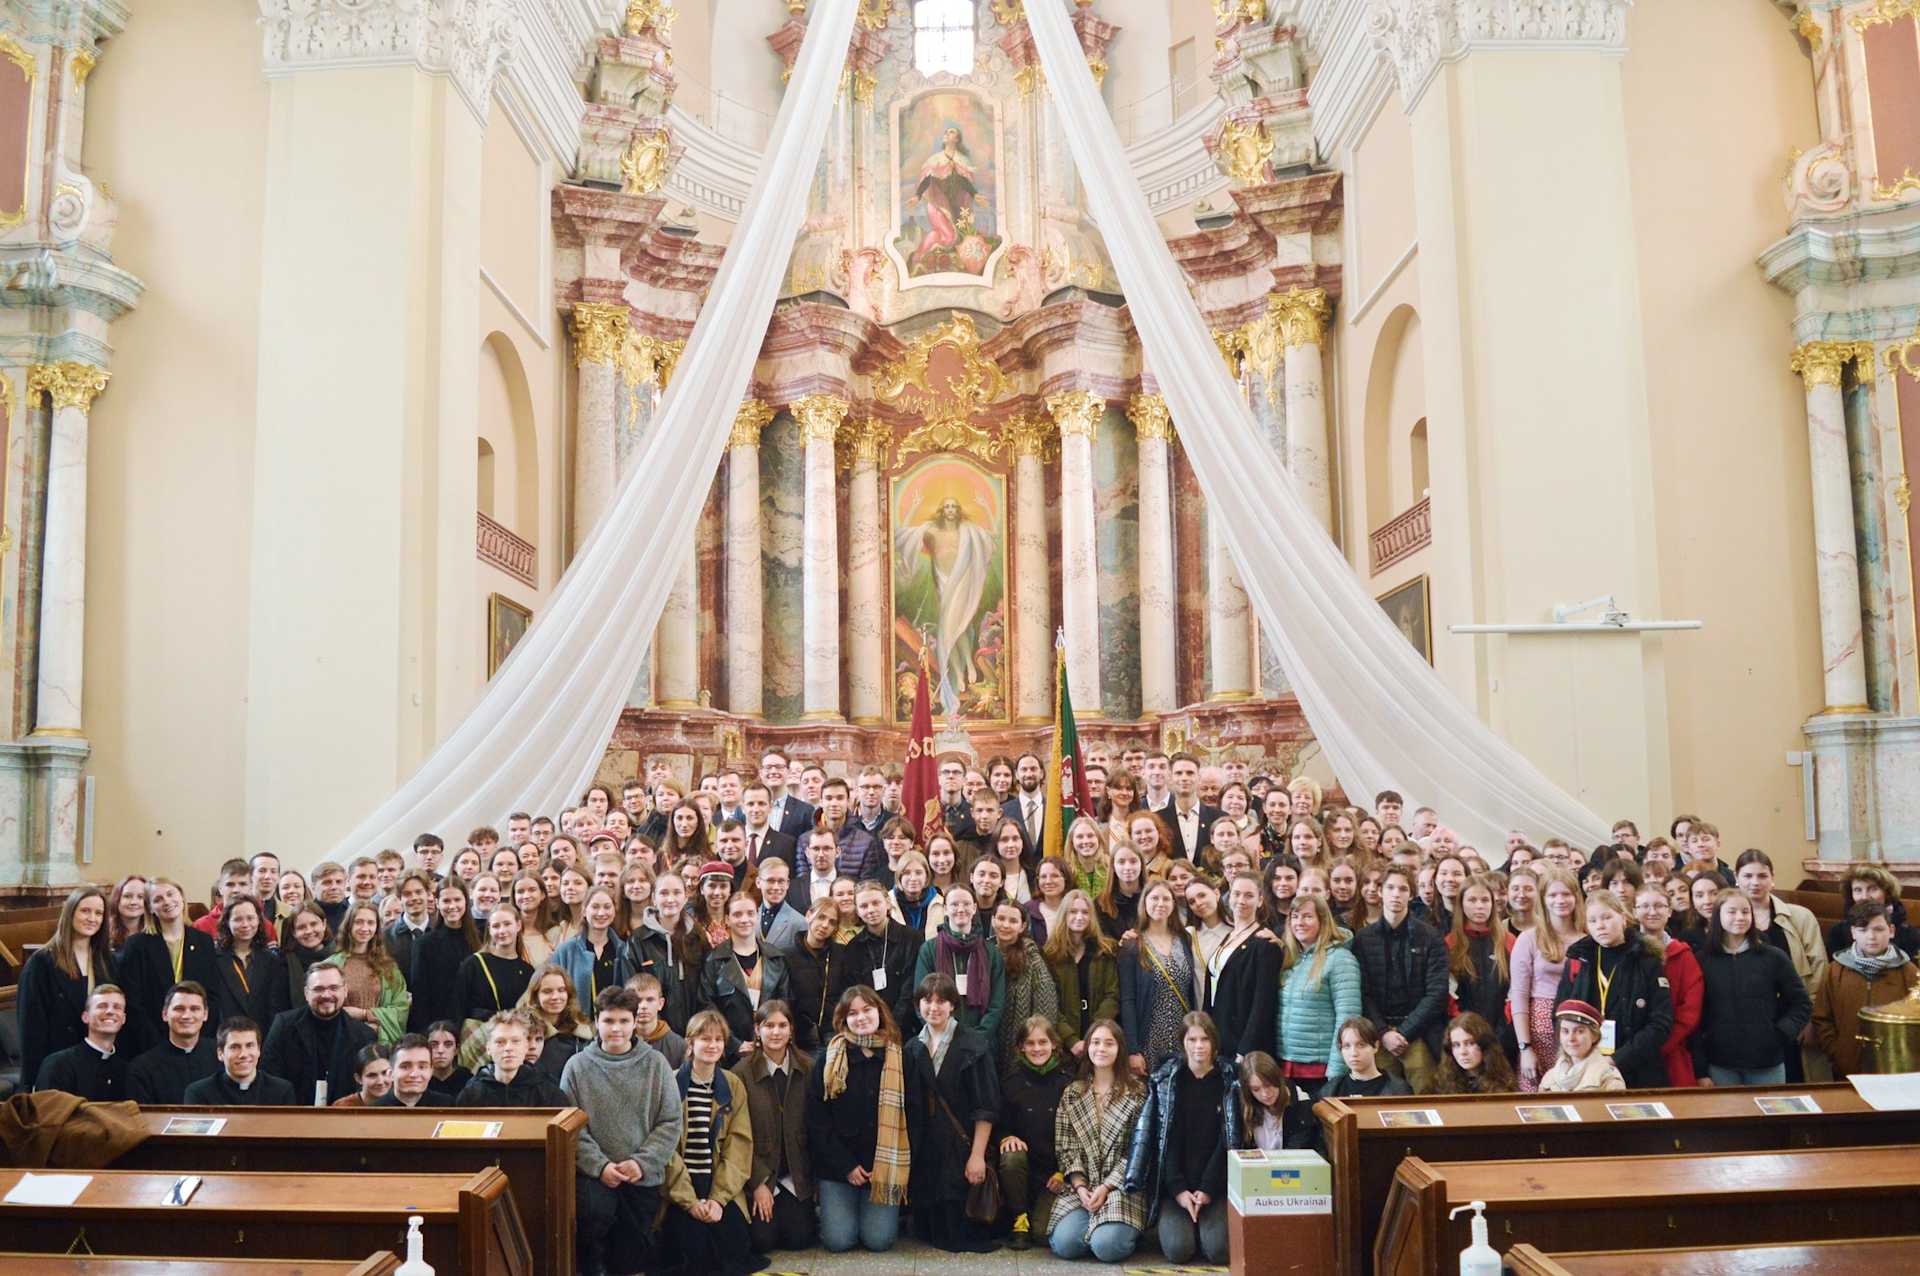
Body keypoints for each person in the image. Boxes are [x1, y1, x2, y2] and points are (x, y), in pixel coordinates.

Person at [564, 985, 686, 1276]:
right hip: (593, 1177)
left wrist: (641, 1163)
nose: (616, 1028)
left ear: (634, 1022)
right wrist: (600, 1166)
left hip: (641, 1175)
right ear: (596, 1022)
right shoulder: (577, 1067)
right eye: (608, 1021)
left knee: (629, 1260)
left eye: (623, 1021)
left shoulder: (656, 1064)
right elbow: (571, 1127)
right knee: (592, 1235)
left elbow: (670, 1121)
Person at [806, 984, 918, 1254]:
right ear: (843, 1019)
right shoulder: (829, 1059)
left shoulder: (901, 1057)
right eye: (853, 1013)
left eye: (867, 1010)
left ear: (880, 1012)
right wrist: (847, 1166)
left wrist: (885, 1167)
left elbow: (916, 1117)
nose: (861, 1017)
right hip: (839, 1168)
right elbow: (817, 1122)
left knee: (879, 1241)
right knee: (838, 1241)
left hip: (884, 1167)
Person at [1124, 1011, 1241, 1267]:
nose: (1199, 1046)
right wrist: (1179, 1191)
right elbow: (1165, 1140)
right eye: (1192, 1039)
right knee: (1179, 1250)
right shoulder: (1168, 1081)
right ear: (1183, 1043)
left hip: (1214, 1185)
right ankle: (1189, 1224)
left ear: (1214, 1043)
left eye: (1205, 1039)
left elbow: (1227, 1140)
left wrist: (1207, 1189)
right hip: (1176, 1186)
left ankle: (1205, 1226)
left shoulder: (1228, 1080)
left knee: (1218, 1251)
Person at [660, 1009, 765, 1276]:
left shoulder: (732, 1085)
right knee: (692, 1254)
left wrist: (718, 1200)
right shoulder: (670, 1083)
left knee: (732, 1250)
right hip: (681, 1185)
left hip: (718, 1180)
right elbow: (665, 1149)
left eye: (718, 1040)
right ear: (690, 1043)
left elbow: (739, 1146)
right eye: (705, 1039)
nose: (713, 1045)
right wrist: (690, 1202)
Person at [905, 972, 1000, 1253]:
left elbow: (986, 1107)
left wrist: (977, 1156)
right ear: (918, 1005)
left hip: (961, 1148)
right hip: (926, 1150)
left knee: (957, 1233)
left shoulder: (974, 1045)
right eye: (927, 1001)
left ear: (953, 1005)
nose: (933, 1007)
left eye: (941, 1001)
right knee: (927, 1231)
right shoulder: (912, 1048)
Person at [1047, 1018, 1148, 1263]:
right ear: (1088, 1047)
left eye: (1109, 1043)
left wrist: (1106, 1187)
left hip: (1122, 1187)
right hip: (1082, 1187)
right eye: (1095, 1042)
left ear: (1120, 1048)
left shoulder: (1137, 1093)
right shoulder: (1073, 1093)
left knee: (1107, 1247)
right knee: (1065, 1245)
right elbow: (1065, 1147)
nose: (1101, 1048)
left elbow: (1137, 1152)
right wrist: (1081, 1187)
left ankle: (1113, 1231)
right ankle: (1094, 1227)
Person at [1554, 887, 1674, 1089]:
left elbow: (1661, 1023)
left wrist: (1617, 1059)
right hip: (1586, 1067)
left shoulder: (1647, 961)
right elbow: (1561, 1015)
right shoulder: (1579, 960)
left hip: (1638, 1067)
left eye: (1607, 917)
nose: (1600, 925)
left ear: (1623, 918)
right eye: (1592, 921)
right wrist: (1580, 1057)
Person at [1692, 889, 1813, 1087]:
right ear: (1718, 916)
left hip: (1767, 1062)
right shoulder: (1702, 960)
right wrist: (1700, 1069)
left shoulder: (1773, 957)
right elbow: (1695, 1018)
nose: (1740, 917)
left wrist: (1780, 1034)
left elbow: (1801, 1003)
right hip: (1720, 1063)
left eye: (1745, 911)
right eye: (1732, 912)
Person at [1352, 864, 1449, 1092]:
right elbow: (1362, 993)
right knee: (1382, 1097)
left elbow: (1437, 992)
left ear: (1411, 894)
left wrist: (1404, 1032)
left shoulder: (1430, 937)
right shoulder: (1363, 939)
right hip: (1378, 1033)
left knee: (1426, 1094)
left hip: (1418, 1032)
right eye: (1390, 888)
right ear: (1380, 892)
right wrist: (1383, 1032)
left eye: (1403, 889)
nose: (1396, 894)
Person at [1733, 848, 1828, 1079]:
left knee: (1797, 1077)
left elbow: (1818, 968)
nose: (1755, 882)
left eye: (1762, 876)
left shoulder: (1800, 917)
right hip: (1750, 1019)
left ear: (1772, 878)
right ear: (1736, 879)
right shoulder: (1730, 919)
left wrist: (1811, 1018)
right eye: (1747, 876)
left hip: (1794, 1013)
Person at [18, 885, 115, 1090]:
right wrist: (32, 1081)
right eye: (85, 911)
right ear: (70, 913)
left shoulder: (107, 960)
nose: (92, 918)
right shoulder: (42, 963)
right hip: (56, 1065)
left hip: (97, 1062)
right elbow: (31, 1028)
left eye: (98, 913)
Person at [740, 1000, 817, 1255]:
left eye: (782, 1025)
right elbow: (737, 1138)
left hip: (796, 1174)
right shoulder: (741, 1073)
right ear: (757, 1030)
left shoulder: (808, 1067)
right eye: (768, 1025)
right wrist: (758, 1183)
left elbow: (817, 1129)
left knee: (799, 1239)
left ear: (791, 1029)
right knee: (762, 1242)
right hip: (761, 1173)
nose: (776, 1032)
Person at [1812, 900, 1919, 1078]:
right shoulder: (1835, 971)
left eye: (1878, 929)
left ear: (1891, 931)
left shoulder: (1908, 972)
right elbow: (1822, 1017)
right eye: (1863, 930)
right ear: (1853, 933)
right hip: (1847, 1068)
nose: (1871, 936)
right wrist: (1837, 1052)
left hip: (1895, 1068)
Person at [116, 876, 220, 1056]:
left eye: (170, 894)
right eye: (158, 899)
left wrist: (197, 1038)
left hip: (197, 1042)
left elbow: (212, 996)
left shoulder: (203, 941)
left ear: (181, 897)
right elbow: (133, 1002)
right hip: (152, 1045)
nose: (167, 901)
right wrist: (158, 1044)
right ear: (150, 908)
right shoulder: (137, 945)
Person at [997, 1015, 1072, 1250]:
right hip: (1023, 1170)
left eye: (1042, 1042)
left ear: (1054, 1044)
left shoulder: (1067, 1083)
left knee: (1042, 1235)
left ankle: (1036, 1217)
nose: (1037, 1048)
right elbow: (999, 1123)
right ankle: (1019, 1219)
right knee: (1011, 1155)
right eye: (1030, 1043)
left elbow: (1077, 1135)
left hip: (1054, 1175)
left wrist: (1063, 1172)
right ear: (1021, 1047)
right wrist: (1006, 1137)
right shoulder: (1011, 1082)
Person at [1276, 895, 1363, 1090]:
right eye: (1295, 916)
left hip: (1320, 1070)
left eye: (1307, 916)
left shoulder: (1340, 959)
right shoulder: (1290, 958)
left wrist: (1336, 1072)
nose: (1300, 922)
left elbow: (1348, 1019)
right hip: (1287, 1066)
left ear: (1322, 920)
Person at [262, 961, 377, 1106]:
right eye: (318, 989)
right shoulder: (283, 1026)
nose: (326, 995)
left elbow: (366, 1088)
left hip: (345, 1115)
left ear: (345, 991)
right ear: (306, 993)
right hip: (293, 1113)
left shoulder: (365, 1036)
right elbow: (269, 1077)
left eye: (334, 988)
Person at [1509, 865, 1583, 1090]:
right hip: (1539, 1035)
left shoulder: (1588, 939)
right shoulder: (1528, 938)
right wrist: (1525, 1047)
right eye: (1552, 895)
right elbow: (1519, 995)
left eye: (1566, 894)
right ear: (1543, 899)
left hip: (1579, 1031)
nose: (1560, 900)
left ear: (1576, 897)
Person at [1118, 880, 1201, 1075]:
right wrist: (1133, 1050)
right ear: (1144, 902)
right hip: (1149, 1038)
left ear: (1173, 904)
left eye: (1166, 899)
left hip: (1184, 1036)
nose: (1160, 904)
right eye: (1154, 898)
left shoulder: (1184, 939)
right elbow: (1127, 1000)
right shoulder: (1133, 944)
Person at [701, 891, 793, 1060]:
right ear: (727, 919)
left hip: (771, 1048)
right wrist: (734, 1044)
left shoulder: (776, 958)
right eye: (737, 914)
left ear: (757, 916)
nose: (744, 919)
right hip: (728, 1054)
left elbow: (784, 1002)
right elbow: (708, 1007)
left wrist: (769, 1037)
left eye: (750, 913)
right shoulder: (713, 960)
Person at [907, 884, 1005, 1039]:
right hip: (940, 1037)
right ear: (945, 909)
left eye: (966, 904)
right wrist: (943, 1033)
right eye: (954, 904)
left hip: (982, 1040)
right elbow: (921, 998)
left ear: (974, 908)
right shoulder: (929, 949)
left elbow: (997, 1003)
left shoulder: (991, 952)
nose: (960, 909)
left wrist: (979, 1036)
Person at [1632, 880, 1704, 1086]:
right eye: (1645, 906)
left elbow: (1690, 1010)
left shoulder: (1683, 955)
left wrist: (1659, 1044)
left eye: (1659, 906)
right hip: (1628, 1051)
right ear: (1634, 911)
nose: (1652, 912)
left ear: (1669, 911)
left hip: (1670, 1050)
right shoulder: (1625, 951)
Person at [1205, 873, 1283, 1061]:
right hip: (1220, 1033)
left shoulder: (1265, 943)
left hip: (1243, 1043)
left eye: (1249, 895)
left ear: (1260, 900)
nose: (1241, 900)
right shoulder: (1229, 936)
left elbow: (1263, 1004)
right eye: (1237, 894)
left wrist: (1246, 1049)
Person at [322, 900, 412, 1046]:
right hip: (342, 1040)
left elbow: (400, 1009)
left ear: (377, 928)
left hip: (379, 1042)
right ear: (349, 925)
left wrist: (365, 1014)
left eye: (370, 923)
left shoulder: (388, 967)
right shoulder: (331, 965)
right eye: (359, 922)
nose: (365, 928)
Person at [455, 903, 536, 1065]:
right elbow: (458, 1008)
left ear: (518, 925)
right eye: (496, 926)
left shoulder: (528, 971)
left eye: (507, 924)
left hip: (513, 1048)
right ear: (489, 930)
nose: (502, 931)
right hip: (478, 1043)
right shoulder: (474, 964)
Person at [1044, 890, 1120, 1060]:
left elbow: (1112, 995)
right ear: (1064, 915)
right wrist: (1071, 1040)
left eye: (1085, 912)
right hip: (1063, 1043)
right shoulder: (1050, 954)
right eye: (1073, 912)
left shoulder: (1106, 951)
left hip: (1100, 1039)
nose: (1079, 917)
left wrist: (1095, 1034)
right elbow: (1049, 1002)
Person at [836, 880, 917, 1030]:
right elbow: (854, 991)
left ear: (887, 903)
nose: (871, 910)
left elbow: (910, 987)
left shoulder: (911, 938)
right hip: (868, 1026)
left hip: (906, 1026)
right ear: (857, 911)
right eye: (864, 906)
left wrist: (893, 1025)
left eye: (876, 903)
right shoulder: (853, 948)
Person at [991, 898, 1059, 1075]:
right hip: (990, 1041)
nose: (1006, 925)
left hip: (1020, 1045)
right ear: (993, 920)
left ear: (1022, 927)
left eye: (1013, 921)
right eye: (1001, 918)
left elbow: (1046, 1009)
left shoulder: (1032, 958)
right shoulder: (984, 953)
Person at [406, 878, 480, 1032]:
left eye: (457, 900)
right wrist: (428, 1033)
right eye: (446, 901)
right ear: (437, 903)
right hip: (438, 1029)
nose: (452, 906)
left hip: (473, 1028)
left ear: (466, 902)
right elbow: (420, 996)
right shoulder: (424, 944)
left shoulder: (480, 940)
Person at [127, 980, 218, 1104]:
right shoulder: (143, 1068)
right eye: (179, 1009)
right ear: (165, 1014)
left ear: (205, 1014)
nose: (186, 1016)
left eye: (194, 1009)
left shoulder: (223, 1059)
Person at [35, 983, 130, 1100]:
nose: (110, 1011)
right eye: (102, 1006)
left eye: (117, 1007)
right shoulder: (58, 1065)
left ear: (123, 1019)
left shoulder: (125, 1070)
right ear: (85, 1017)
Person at [456, 1009, 569, 1106]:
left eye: (515, 1041)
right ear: (488, 1048)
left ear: (526, 1046)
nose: (508, 1048)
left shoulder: (549, 1093)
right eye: (500, 1042)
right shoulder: (472, 1093)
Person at [182, 1017, 296, 1105]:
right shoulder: (199, 1093)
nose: (243, 1054)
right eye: (235, 1047)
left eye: (249, 1046)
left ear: (258, 1050)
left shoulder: (282, 1091)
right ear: (220, 1053)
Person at [554, 885, 634, 1011]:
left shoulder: (624, 950)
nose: (601, 913)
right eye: (595, 907)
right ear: (584, 911)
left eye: (607, 907)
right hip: (577, 1022)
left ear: (614, 911)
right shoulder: (566, 951)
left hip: (615, 1021)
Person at [1825, 863, 1920, 960]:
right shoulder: (1838, 932)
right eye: (1858, 890)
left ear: (1887, 892)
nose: (1864, 897)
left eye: (1873, 889)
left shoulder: (1909, 935)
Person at [520, 964, 595, 1081]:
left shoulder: (582, 1032)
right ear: (535, 995)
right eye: (547, 991)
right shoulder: (522, 1032)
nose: (555, 997)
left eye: (561, 990)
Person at [1536, 999, 1625, 1092]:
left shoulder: (1608, 1079)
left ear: (1594, 1036)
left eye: (1579, 1031)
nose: (1571, 1038)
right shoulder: (1550, 1078)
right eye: (1565, 1031)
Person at [1320, 1017, 1414, 1100]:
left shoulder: (1398, 1089)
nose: (1354, 1053)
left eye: (1361, 1045)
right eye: (1347, 1046)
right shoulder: (1332, 1089)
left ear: (1376, 1046)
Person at [1237, 1050, 1315, 1148]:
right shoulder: (1240, 1103)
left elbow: (1299, 1147)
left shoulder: (1300, 1101)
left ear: (1277, 1079)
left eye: (1268, 1085)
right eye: (1256, 1089)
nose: (1265, 1094)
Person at [1426, 1012, 1518, 1095]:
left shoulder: (1503, 1084)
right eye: (1456, 1045)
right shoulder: (1440, 1084)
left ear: (1484, 1044)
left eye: (1470, 1043)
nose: (1462, 1052)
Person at [627, 973, 687, 1070]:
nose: (643, 1006)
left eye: (650, 1000)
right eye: (637, 1000)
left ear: (660, 1004)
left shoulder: (678, 1046)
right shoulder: (619, 1040)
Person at [378, 1033, 451, 1106]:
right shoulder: (375, 1109)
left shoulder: (447, 1105)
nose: (414, 1074)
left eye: (422, 1067)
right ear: (390, 1073)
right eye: (405, 1067)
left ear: (431, 1071)